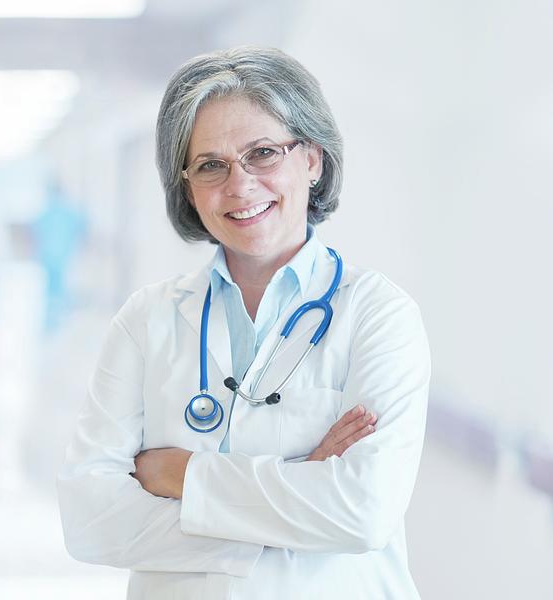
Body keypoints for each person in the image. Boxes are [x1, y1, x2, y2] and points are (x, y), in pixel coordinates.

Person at [57, 46, 430, 599]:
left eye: (262, 153)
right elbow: (90, 522)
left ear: (312, 160)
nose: (239, 185)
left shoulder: (377, 313)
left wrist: (184, 476)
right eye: (211, 165)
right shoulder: (146, 319)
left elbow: (362, 513)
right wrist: (300, 484)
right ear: (187, 187)